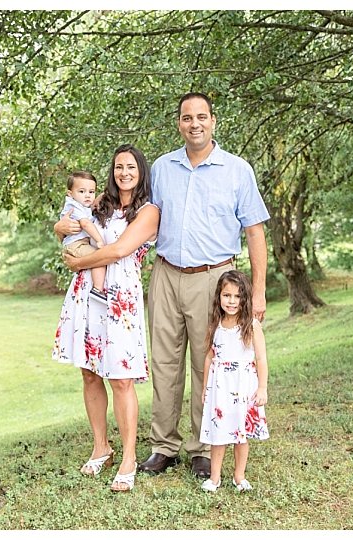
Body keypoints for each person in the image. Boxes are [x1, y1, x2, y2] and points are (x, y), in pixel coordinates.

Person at [139, 92, 270, 479]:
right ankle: (163, 446)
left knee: (205, 365)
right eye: (186, 117)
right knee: (164, 363)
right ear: (178, 123)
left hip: (214, 279)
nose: (194, 123)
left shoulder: (236, 170)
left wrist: (258, 291)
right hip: (165, 275)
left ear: (213, 121)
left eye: (201, 117)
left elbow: (255, 231)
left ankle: (201, 447)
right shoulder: (162, 168)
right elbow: (141, 217)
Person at [52, 144, 159, 492]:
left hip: (120, 296)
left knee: (121, 377)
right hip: (87, 293)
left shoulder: (149, 211)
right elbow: (68, 224)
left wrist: (79, 262)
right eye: (117, 167)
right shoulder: (100, 204)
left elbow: (117, 250)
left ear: (140, 171)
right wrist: (60, 228)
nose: (123, 173)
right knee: (89, 371)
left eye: (130, 167)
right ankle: (102, 447)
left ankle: (129, 456)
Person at [199, 270, 269, 492]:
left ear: (244, 298)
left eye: (237, 296)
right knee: (218, 433)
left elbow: (261, 358)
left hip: (243, 386)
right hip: (220, 386)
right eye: (226, 295)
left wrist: (262, 388)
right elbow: (209, 357)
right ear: (219, 297)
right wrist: (205, 388)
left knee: (241, 434)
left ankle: (239, 476)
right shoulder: (215, 324)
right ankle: (215, 477)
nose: (231, 301)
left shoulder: (251, 325)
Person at [58, 171, 108, 304]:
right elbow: (86, 223)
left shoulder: (82, 205)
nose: (87, 195)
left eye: (91, 192)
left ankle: (98, 288)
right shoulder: (73, 206)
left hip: (78, 243)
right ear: (70, 194)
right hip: (76, 244)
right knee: (99, 258)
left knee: (99, 257)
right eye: (82, 191)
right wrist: (99, 240)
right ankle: (98, 290)